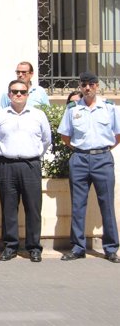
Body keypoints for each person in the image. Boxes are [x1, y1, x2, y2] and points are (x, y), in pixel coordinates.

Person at [58, 72, 120, 263]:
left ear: (97, 86)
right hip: (80, 159)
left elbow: (117, 134)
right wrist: (80, 149)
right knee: (78, 204)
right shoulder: (72, 109)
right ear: (80, 87)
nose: (87, 88)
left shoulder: (109, 108)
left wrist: (103, 149)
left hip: (102, 159)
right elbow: (65, 136)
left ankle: (110, 248)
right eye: (84, 85)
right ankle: (78, 247)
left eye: (91, 84)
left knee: (107, 204)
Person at [0, 79, 51, 263]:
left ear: (27, 95)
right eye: (14, 92)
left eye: (22, 92)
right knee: (9, 207)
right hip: (7, 165)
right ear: (9, 94)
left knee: (33, 208)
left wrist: (34, 154)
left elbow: (46, 140)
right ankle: (10, 246)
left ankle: (33, 247)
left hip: (30, 165)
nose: (18, 95)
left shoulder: (38, 115)